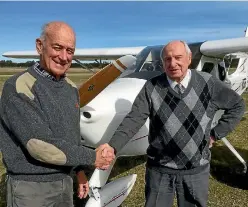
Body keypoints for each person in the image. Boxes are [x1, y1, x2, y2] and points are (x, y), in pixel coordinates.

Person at [101, 40, 245, 207]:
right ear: (162, 62)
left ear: (189, 59)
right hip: (159, 171)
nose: (173, 63)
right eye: (167, 59)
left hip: (195, 170)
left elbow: (237, 105)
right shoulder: (151, 87)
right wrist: (113, 146)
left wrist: (215, 133)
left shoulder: (208, 83)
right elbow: (134, 119)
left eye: (178, 57)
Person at [0, 21, 114, 207]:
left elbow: (71, 136)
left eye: (70, 50)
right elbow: (39, 145)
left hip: (65, 181)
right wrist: (93, 157)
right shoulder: (18, 87)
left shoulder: (70, 88)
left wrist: (78, 170)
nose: (63, 57)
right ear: (40, 46)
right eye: (57, 47)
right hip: (31, 188)